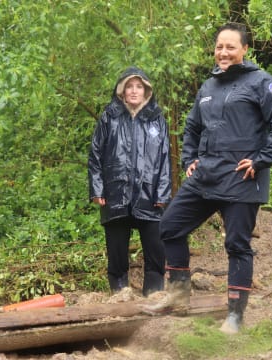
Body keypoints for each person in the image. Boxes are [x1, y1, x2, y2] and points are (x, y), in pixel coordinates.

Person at [151, 23, 272, 334]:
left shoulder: (261, 82)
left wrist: (261, 159)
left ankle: (235, 315)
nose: (223, 52)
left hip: (242, 179)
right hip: (206, 177)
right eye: (219, 47)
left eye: (230, 47)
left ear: (245, 49)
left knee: (237, 245)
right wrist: (190, 159)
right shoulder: (208, 87)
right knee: (170, 227)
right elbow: (192, 128)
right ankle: (178, 297)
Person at [88, 66, 171, 297]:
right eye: (129, 87)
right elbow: (95, 154)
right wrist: (97, 189)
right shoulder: (109, 117)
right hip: (115, 193)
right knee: (116, 252)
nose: (134, 91)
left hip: (150, 193)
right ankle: (120, 297)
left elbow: (165, 158)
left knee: (156, 250)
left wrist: (163, 194)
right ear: (121, 91)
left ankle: (154, 297)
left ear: (147, 91)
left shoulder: (157, 119)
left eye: (139, 87)